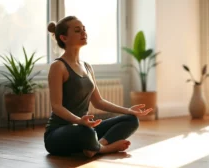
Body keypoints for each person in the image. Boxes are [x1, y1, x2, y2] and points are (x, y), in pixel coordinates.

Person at [44, 16, 153, 158]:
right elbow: (57, 107)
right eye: (78, 31)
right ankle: (103, 148)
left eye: (84, 29)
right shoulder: (58, 66)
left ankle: (95, 147)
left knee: (131, 119)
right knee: (86, 132)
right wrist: (78, 121)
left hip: (84, 127)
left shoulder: (87, 67)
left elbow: (99, 102)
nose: (84, 33)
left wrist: (128, 110)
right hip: (58, 134)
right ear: (64, 38)